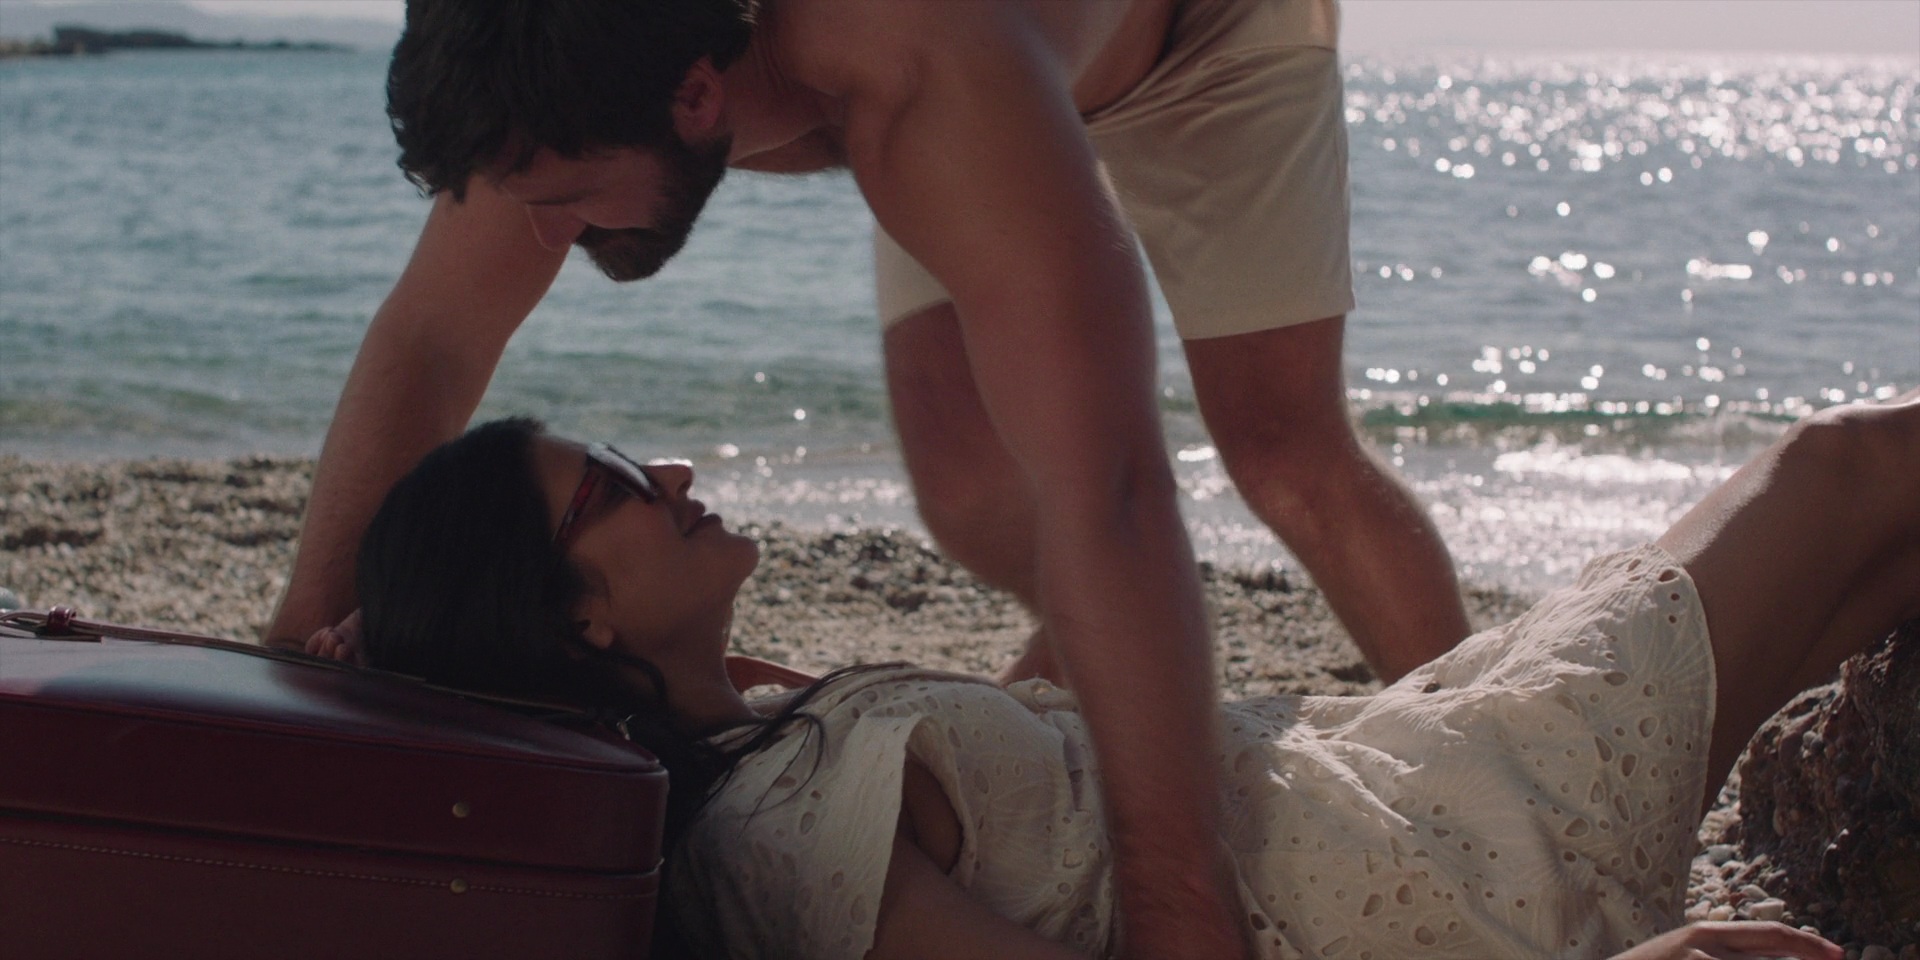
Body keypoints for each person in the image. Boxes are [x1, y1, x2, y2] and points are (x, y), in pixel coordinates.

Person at [271, 2, 1467, 949]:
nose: (547, 238)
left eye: (571, 200)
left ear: (698, 97)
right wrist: (303, 662)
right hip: (984, 71)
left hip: (1194, 39)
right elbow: (435, 340)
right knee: (969, 488)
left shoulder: (915, 68)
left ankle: (1472, 722)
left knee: (1279, 452)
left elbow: (1111, 488)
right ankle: (1058, 735)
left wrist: (1180, 918)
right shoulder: (572, 55)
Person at [325, 393, 1917, 960]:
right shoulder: (785, 849)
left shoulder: (750, 735)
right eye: (612, 485)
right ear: (577, 624)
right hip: (1452, 863)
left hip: (1389, 763)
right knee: (1842, 476)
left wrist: (394, 661)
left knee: (1859, 532)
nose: (666, 468)